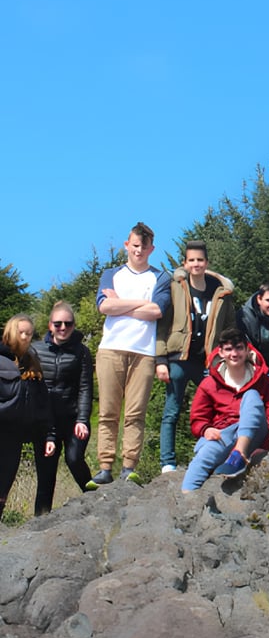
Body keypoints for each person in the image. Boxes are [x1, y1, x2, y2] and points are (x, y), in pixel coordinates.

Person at [93, 222, 171, 485]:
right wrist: (141, 303)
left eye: (144, 247)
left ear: (152, 249)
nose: (139, 251)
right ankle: (105, 467)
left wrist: (121, 304)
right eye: (134, 245)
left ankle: (129, 467)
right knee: (108, 412)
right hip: (111, 349)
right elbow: (104, 307)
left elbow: (157, 311)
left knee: (136, 413)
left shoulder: (160, 278)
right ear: (127, 245)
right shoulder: (110, 274)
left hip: (144, 353)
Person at [155, 240, 236, 473]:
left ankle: (212, 457)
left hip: (208, 361)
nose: (196, 264)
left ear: (207, 262)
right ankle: (167, 463)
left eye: (200, 260)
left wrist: (227, 356)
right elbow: (162, 326)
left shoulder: (221, 292)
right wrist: (160, 361)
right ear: (185, 263)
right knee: (172, 410)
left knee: (218, 409)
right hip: (179, 358)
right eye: (191, 260)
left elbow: (230, 326)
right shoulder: (176, 288)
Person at [181, 328, 269, 491]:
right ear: (220, 352)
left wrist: (266, 446)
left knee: (251, 396)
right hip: (224, 435)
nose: (234, 354)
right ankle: (186, 504)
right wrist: (206, 429)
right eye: (228, 349)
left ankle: (239, 455)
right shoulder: (209, 384)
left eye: (239, 348)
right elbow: (198, 418)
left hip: (255, 435)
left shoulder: (264, 381)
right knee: (204, 456)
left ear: (247, 350)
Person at [33, 303, 95, 507]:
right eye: (57, 323)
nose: (62, 328)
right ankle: (40, 523)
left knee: (74, 459)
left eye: (67, 324)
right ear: (50, 325)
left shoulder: (82, 352)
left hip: (72, 419)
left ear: (73, 325)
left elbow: (85, 388)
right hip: (44, 422)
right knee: (45, 474)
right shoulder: (35, 350)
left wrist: (83, 420)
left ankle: (96, 500)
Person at [1, 315, 54, 518]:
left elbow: (42, 402)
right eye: (20, 332)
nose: (24, 337)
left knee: (4, 487)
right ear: (10, 332)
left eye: (28, 333)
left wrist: (49, 435)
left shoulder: (32, 361)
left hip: (16, 436)